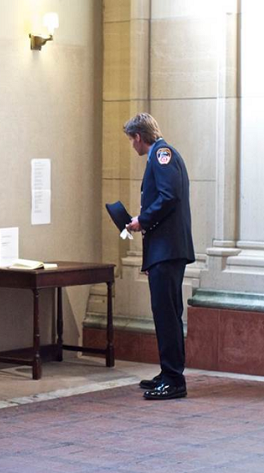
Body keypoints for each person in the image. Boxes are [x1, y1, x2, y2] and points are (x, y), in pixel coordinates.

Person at [124, 113, 195, 400]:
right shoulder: (161, 155)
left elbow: (169, 196)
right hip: (163, 250)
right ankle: (168, 372)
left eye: (131, 140)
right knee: (165, 314)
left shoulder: (162, 154)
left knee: (167, 315)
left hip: (167, 250)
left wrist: (142, 219)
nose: (132, 146)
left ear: (139, 137)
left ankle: (174, 379)